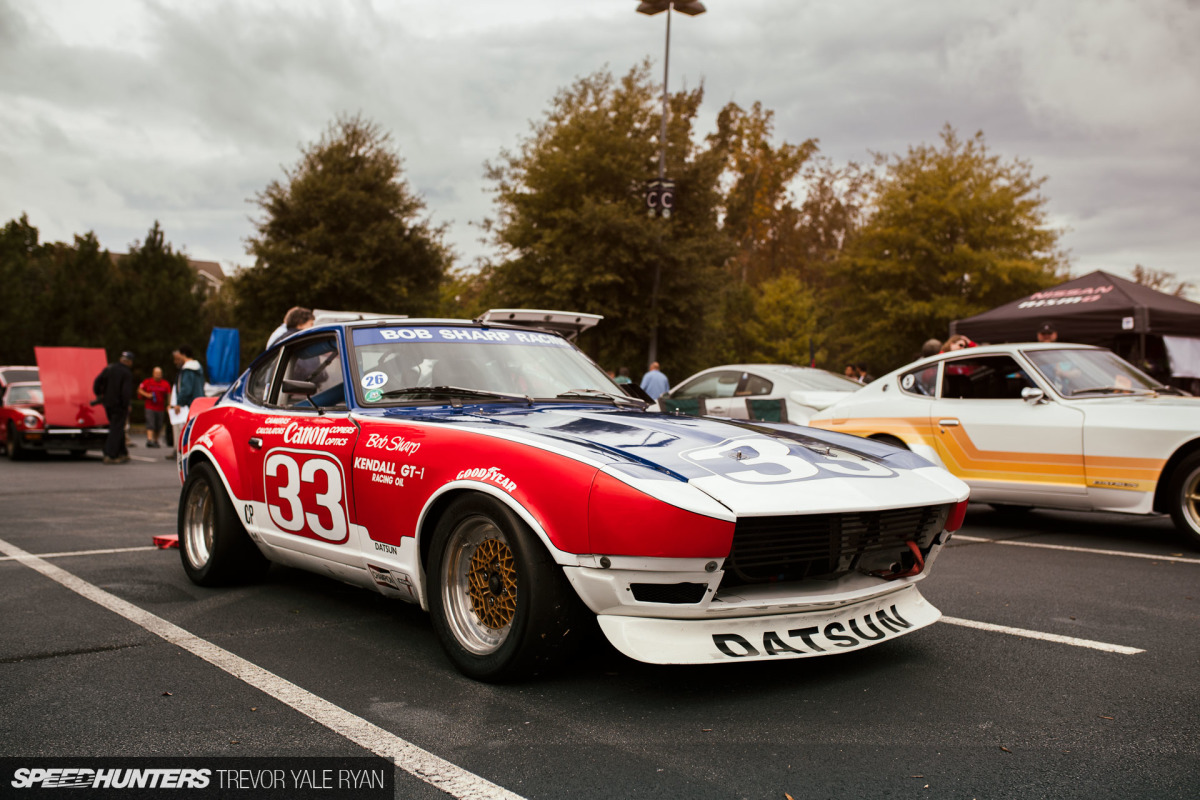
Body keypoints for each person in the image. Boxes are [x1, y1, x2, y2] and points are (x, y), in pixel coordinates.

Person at [94, 351, 134, 464]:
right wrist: (127, 405)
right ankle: (110, 454)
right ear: (129, 362)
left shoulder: (109, 368)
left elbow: (97, 382)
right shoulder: (126, 373)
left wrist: (99, 394)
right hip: (119, 405)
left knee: (117, 427)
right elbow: (126, 392)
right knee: (116, 429)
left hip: (108, 404)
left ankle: (122, 452)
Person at [165, 346, 206, 458]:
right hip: (198, 402)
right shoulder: (198, 368)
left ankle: (182, 452)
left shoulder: (188, 370)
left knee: (183, 428)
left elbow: (186, 388)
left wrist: (179, 402)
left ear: (183, 354)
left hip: (188, 405)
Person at [137, 366, 171, 448]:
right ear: (153, 374)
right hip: (150, 407)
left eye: (159, 373)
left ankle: (155, 440)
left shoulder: (165, 383)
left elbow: (169, 394)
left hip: (160, 407)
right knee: (150, 423)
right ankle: (150, 440)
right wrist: (147, 395)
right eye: (156, 373)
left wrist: (169, 405)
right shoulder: (147, 382)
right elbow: (139, 390)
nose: (158, 375)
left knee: (158, 425)